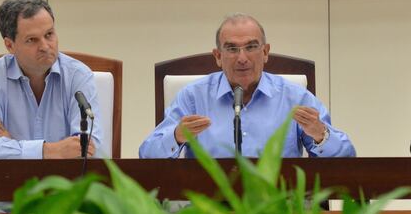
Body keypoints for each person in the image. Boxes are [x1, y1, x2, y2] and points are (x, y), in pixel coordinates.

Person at [139, 14, 355, 158]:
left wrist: (319, 133)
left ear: (265, 52)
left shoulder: (294, 98)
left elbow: (347, 156)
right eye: (232, 49)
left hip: (280, 212)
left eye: (251, 47)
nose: (242, 58)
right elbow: (147, 155)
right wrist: (176, 136)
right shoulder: (193, 97)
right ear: (218, 56)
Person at [0, 0, 100, 159]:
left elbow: (89, 149)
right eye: (32, 40)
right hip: (8, 182)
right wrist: (47, 151)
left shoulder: (78, 76)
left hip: (65, 183)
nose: (45, 46)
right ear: (10, 45)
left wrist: (12, 145)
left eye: (49, 34)